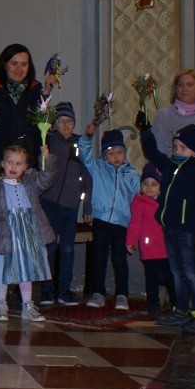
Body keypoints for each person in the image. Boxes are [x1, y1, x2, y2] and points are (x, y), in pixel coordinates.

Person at [140, 123, 195, 333]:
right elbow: (153, 153)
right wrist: (145, 132)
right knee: (176, 272)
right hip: (170, 228)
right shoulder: (170, 165)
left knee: (191, 272)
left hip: (189, 231)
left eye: (183, 147)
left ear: (194, 151)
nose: (177, 151)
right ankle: (180, 310)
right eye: (175, 146)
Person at [0, 144, 56, 322]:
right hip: (6, 233)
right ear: (3, 164)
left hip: (29, 231)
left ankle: (27, 304)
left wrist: (46, 159)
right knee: (3, 268)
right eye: (10, 162)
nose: (14, 167)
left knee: (27, 268)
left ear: (25, 166)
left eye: (18, 163)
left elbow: (47, 179)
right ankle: (1, 303)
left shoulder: (31, 183)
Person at [0, 43, 55, 195]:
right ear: (4, 65)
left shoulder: (35, 93)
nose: (19, 69)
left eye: (24, 64)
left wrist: (41, 164)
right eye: (14, 63)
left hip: (27, 171)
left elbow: (44, 131)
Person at [38, 102, 92, 306]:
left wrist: (87, 207)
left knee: (68, 248)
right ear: (54, 124)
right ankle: (46, 289)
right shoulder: (50, 141)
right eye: (61, 121)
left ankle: (64, 290)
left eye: (70, 121)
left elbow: (87, 177)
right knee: (50, 246)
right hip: (49, 202)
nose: (66, 125)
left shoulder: (81, 144)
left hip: (70, 205)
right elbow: (42, 167)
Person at [79, 126, 139, 310]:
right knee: (99, 257)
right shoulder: (97, 168)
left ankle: (122, 294)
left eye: (119, 152)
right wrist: (87, 136)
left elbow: (136, 200)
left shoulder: (131, 174)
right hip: (101, 220)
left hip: (122, 223)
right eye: (111, 153)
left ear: (124, 153)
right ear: (105, 155)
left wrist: (136, 225)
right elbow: (84, 154)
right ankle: (97, 292)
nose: (116, 157)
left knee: (119, 258)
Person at [124, 163, 175, 319]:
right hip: (149, 249)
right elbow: (135, 224)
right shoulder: (139, 203)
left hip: (167, 248)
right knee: (152, 280)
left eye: (154, 184)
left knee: (171, 278)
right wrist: (131, 241)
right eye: (145, 183)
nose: (149, 187)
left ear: (160, 187)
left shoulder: (166, 202)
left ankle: (176, 305)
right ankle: (154, 306)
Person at [148, 68, 195, 159]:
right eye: (180, 85)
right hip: (167, 166)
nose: (184, 88)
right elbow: (155, 149)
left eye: (189, 85)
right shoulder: (163, 115)